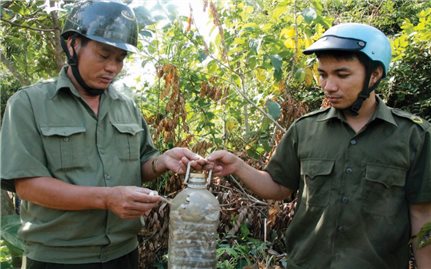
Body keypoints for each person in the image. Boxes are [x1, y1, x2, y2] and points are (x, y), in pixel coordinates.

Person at [206, 23, 431, 269]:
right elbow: (279, 187)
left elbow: (422, 217)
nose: (328, 86)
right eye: (323, 74)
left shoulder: (413, 136)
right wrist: (237, 166)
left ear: (374, 74)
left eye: (342, 75)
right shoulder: (305, 130)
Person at [0, 1, 205, 268]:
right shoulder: (29, 104)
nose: (113, 67)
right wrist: (107, 198)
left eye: (120, 58)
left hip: (124, 254)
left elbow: (140, 164)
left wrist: (162, 161)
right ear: (73, 45)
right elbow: (27, 186)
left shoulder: (125, 105)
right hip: (57, 258)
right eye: (103, 55)